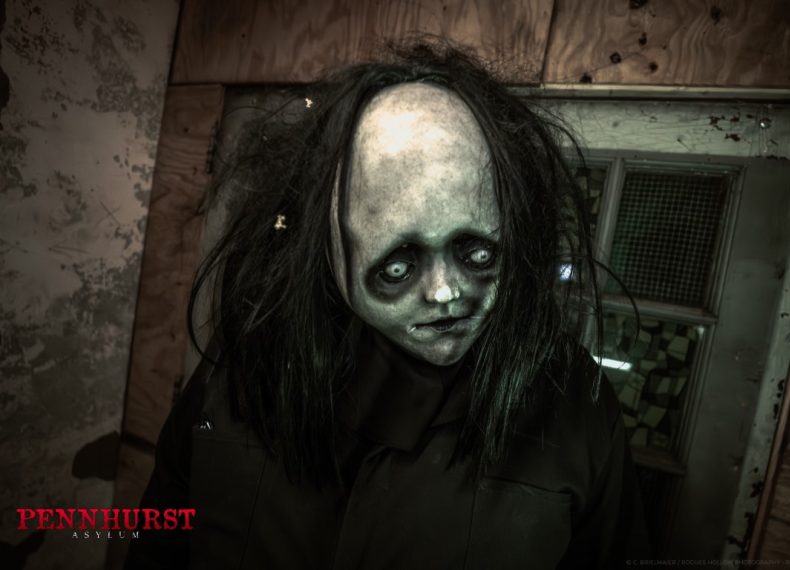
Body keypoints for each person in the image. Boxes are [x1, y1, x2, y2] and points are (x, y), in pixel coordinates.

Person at [125, 43, 649, 569]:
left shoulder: (573, 405)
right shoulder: (244, 366)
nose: (445, 294)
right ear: (327, 247)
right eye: (398, 267)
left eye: (477, 254)